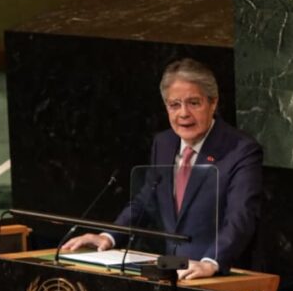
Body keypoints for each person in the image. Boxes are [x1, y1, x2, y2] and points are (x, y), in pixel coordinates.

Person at [63, 58, 263, 279]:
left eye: (194, 103)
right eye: (174, 105)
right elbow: (145, 201)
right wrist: (109, 236)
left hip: (218, 274)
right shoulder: (164, 143)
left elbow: (241, 216)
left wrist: (211, 262)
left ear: (213, 103)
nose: (183, 113)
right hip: (171, 270)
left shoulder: (240, 150)